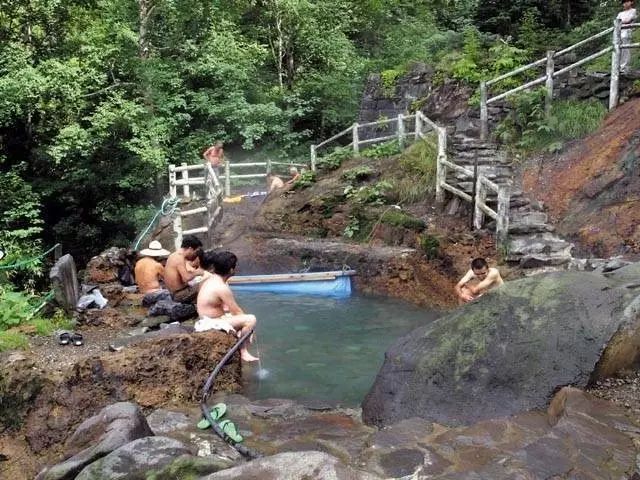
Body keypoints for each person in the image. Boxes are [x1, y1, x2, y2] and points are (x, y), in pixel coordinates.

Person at [196, 251, 259, 362]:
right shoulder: (221, 287)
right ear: (231, 270)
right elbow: (237, 312)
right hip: (210, 323)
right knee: (251, 319)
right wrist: (250, 330)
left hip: (206, 319)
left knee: (240, 319)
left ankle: (241, 342)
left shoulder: (210, 279)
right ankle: (243, 352)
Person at [165, 235, 205, 303]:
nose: (195, 254)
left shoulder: (174, 255)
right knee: (207, 283)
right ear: (190, 249)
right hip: (179, 295)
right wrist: (198, 272)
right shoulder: (179, 258)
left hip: (177, 292)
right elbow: (186, 277)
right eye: (196, 251)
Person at [618, 0, 637, 74]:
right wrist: (621, 22)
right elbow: (617, 21)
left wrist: (621, 22)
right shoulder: (620, 13)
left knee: (625, 50)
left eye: (627, 1)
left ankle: (625, 67)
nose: (625, 3)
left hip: (627, 31)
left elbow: (628, 20)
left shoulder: (633, 11)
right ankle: (618, 67)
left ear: (631, 2)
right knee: (618, 50)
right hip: (619, 32)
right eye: (624, 2)